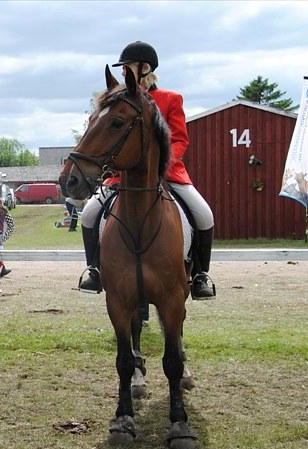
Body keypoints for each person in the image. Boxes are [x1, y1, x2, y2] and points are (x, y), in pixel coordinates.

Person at [77, 41, 216, 300]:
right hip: (123, 176)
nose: (123, 74)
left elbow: (180, 139)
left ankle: (199, 275)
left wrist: (162, 165)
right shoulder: (120, 100)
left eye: (127, 68)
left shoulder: (171, 99)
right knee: (89, 213)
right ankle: (94, 269)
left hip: (168, 174)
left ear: (144, 69)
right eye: (122, 70)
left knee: (204, 214)